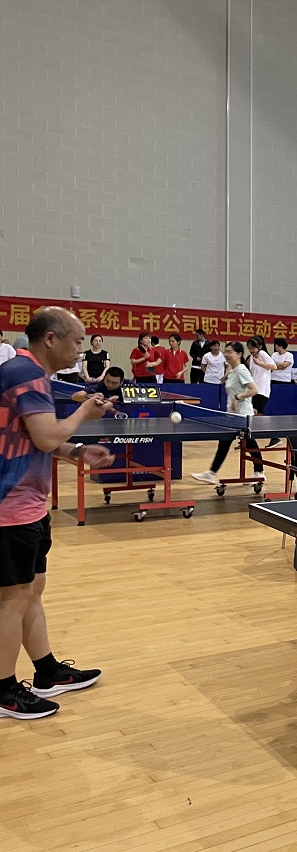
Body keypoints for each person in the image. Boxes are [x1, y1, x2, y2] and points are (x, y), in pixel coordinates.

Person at [1, 307, 113, 718]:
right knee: (11, 599)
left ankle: (46, 670)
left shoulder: (31, 372)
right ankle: (4, 691)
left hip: (30, 504)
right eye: (78, 341)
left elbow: (35, 439)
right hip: (10, 508)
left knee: (31, 590)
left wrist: (78, 452)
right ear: (51, 339)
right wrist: (84, 412)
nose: (81, 349)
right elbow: (47, 436)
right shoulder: (24, 374)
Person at [190, 341, 264, 484]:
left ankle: (258, 472)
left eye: (230, 352)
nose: (226, 354)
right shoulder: (233, 370)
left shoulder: (241, 370)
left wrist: (238, 397)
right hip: (233, 415)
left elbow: (254, 389)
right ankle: (213, 473)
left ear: (239, 354)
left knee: (247, 443)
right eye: (225, 351)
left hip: (243, 416)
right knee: (229, 443)